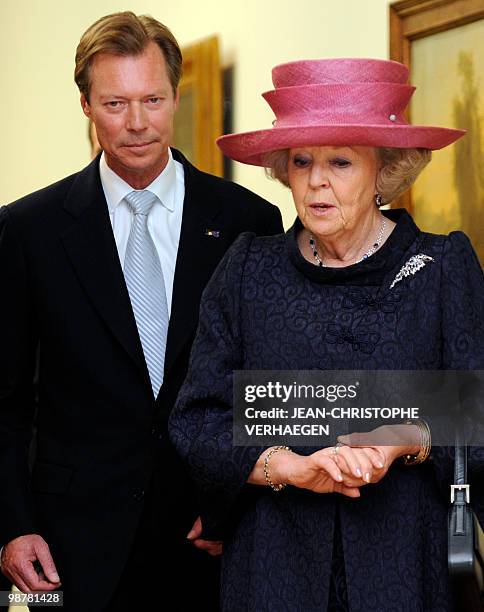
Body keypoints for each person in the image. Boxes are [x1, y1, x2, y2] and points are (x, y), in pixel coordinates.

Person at [169, 58, 484, 611]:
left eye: (340, 162)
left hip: (407, 562)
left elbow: (480, 412)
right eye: (301, 161)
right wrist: (286, 466)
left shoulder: (441, 266)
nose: (317, 181)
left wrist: (405, 438)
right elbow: (199, 420)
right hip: (274, 564)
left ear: (384, 169)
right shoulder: (247, 269)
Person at [0, 11, 282, 612]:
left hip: (209, 536)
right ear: (85, 105)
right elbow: (5, 401)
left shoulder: (248, 224)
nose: (136, 124)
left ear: (175, 95)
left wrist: (235, 500)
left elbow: (260, 391)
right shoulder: (26, 231)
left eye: (152, 100)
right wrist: (12, 526)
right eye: (115, 103)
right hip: (68, 547)